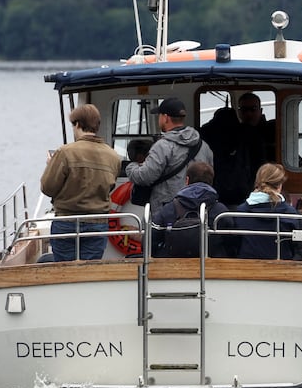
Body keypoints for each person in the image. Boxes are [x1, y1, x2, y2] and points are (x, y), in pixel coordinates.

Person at [38, 103, 123, 263]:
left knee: (65, 271)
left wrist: (51, 166)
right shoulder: (113, 156)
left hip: (66, 222)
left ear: (77, 124)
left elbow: (47, 188)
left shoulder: (65, 152)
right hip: (97, 224)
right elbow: (109, 187)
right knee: (89, 273)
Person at [126, 97, 213, 209]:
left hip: (167, 211)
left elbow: (145, 177)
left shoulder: (162, 146)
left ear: (165, 118)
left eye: (159, 115)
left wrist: (131, 167)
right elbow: (209, 175)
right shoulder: (204, 146)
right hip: (197, 209)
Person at [150, 161, 236, 258]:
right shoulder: (221, 211)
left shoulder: (169, 208)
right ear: (211, 182)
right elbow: (232, 244)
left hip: (174, 267)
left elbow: (151, 240)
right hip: (212, 266)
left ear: (187, 180)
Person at [230, 163, 302, 260]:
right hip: (282, 268)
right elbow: (296, 245)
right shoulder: (290, 213)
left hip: (247, 268)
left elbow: (234, 245)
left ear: (257, 183)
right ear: (280, 186)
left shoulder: (240, 212)